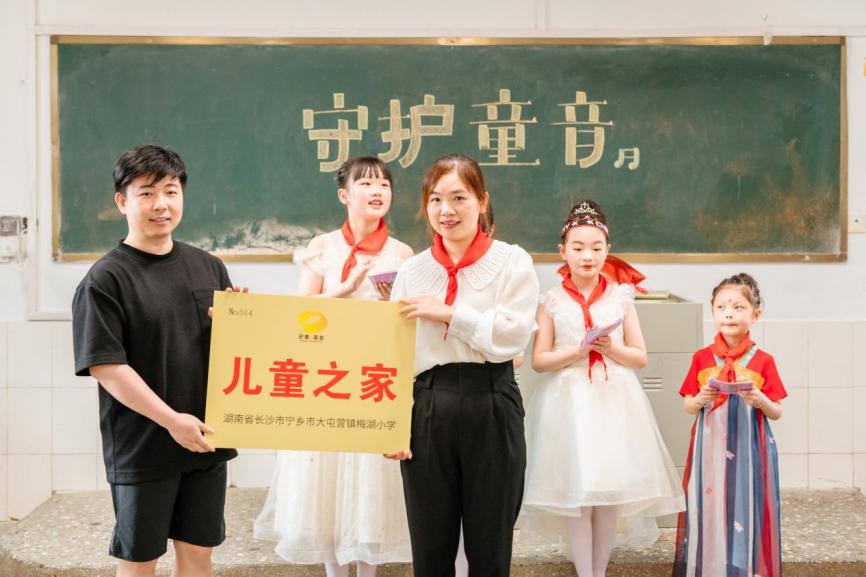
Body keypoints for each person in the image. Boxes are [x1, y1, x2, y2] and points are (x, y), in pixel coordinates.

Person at [72, 145, 243, 577]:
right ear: (122, 201)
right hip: (143, 446)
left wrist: (242, 323)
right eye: (146, 193)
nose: (161, 204)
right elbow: (108, 367)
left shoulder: (209, 267)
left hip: (204, 439)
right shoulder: (105, 279)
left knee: (199, 555)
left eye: (170, 191)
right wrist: (171, 421)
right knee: (139, 561)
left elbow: (228, 352)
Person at [254, 156, 413, 577]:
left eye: (384, 184)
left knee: (369, 486)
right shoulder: (322, 247)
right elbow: (300, 314)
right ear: (344, 195)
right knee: (321, 488)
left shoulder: (402, 253)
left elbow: (407, 324)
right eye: (366, 184)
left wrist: (392, 305)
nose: (377, 191)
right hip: (325, 381)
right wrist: (344, 289)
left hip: (372, 381)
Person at [387, 153, 539, 577]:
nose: (446, 210)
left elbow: (512, 336)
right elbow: (395, 353)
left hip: (492, 398)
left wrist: (451, 313)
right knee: (429, 547)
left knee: (490, 547)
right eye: (435, 199)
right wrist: (391, 424)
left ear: (482, 201)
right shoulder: (412, 270)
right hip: (427, 405)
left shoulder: (513, 261)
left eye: (459, 197)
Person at [522, 200, 684, 577]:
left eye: (596, 248)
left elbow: (639, 356)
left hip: (614, 401)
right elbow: (539, 360)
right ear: (562, 251)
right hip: (568, 404)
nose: (587, 256)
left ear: (608, 250)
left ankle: (600, 570)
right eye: (578, 248)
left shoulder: (621, 297)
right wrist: (576, 352)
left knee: (609, 494)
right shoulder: (551, 300)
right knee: (578, 496)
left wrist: (610, 348)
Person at [673, 273, 785, 577]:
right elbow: (688, 405)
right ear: (712, 313)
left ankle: (744, 567)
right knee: (708, 505)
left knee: (746, 504)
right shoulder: (701, 358)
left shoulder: (763, 360)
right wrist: (701, 398)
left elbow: (777, 411)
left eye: (738, 307)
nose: (729, 314)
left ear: (755, 315)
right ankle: (710, 567)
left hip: (748, 447)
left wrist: (760, 399)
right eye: (721, 308)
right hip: (709, 447)